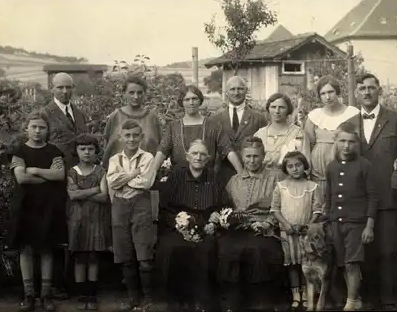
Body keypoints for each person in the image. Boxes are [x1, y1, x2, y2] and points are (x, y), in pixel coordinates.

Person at [346, 73, 397, 310]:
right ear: (357, 92)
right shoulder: (348, 125)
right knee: (363, 251)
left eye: (371, 88)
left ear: (379, 90)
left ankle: (389, 301)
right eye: (362, 88)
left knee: (387, 250)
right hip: (358, 198)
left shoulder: (396, 120)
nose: (367, 92)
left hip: (386, 195)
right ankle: (368, 300)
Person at [156, 139, 230, 312]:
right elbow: (165, 207)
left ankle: (203, 301)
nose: (198, 157)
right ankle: (177, 301)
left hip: (205, 226)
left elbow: (224, 206)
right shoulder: (176, 176)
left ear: (208, 158)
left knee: (208, 249)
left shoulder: (214, 177)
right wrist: (180, 226)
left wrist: (215, 222)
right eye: (195, 153)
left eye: (203, 154)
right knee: (173, 248)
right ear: (187, 156)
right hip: (178, 225)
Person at [218, 137, 285, 312]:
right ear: (242, 156)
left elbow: (282, 207)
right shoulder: (235, 180)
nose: (251, 160)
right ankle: (233, 301)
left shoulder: (274, 178)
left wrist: (267, 223)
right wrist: (229, 219)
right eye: (247, 156)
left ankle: (260, 302)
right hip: (239, 228)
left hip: (264, 228)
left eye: (256, 156)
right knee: (228, 248)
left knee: (259, 250)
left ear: (263, 156)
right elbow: (226, 206)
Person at [9, 109, 67, 311]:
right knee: (25, 249)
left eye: (42, 127)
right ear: (27, 129)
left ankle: (46, 295)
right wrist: (46, 177)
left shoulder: (54, 152)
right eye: (33, 127)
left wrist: (34, 170)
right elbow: (21, 178)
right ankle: (29, 295)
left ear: (47, 130)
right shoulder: (19, 151)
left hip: (47, 207)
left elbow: (60, 175)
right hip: (26, 206)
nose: (37, 131)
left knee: (46, 248)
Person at [323, 121, 379, 311]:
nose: (346, 146)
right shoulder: (331, 167)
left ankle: (351, 302)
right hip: (336, 223)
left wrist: (369, 225)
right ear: (336, 142)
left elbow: (373, 197)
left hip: (356, 224)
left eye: (351, 142)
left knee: (352, 263)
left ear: (358, 144)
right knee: (343, 263)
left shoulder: (365, 165)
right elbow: (328, 196)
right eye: (342, 141)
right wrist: (329, 221)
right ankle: (355, 298)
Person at [44, 72, 89, 300]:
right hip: (55, 183)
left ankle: (71, 282)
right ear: (52, 89)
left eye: (68, 87)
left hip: (78, 180)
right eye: (60, 87)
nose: (64, 92)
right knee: (56, 231)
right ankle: (53, 284)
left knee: (75, 228)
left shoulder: (79, 114)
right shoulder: (44, 114)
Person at [106, 120, 157, 311]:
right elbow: (112, 182)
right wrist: (133, 174)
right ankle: (133, 299)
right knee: (125, 254)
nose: (131, 139)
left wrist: (124, 179)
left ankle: (148, 299)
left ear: (142, 137)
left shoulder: (147, 157)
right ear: (121, 137)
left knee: (144, 254)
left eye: (136, 135)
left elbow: (146, 183)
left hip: (141, 205)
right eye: (127, 135)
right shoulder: (114, 160)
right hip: (119, 206)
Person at [149, 85, 242, 174]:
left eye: (194, 98)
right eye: (187, 99)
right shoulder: (173, 127)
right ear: (181, 102)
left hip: (206, 180)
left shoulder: (213, 126)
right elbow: (162, 152)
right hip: (178, 181)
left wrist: (242, 174)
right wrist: (150, 174)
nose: (191, 103)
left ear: (200, 100)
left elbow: (228, 150)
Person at [270, 151, 323, 309]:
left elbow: (317, 210)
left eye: (298, 165)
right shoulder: (281, 187)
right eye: (290, 166)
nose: (294, 169)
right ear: (286, 168)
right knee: (293, 264)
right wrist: (285, 225)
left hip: (306, 234)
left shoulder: (312, 186)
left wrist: (308, 226)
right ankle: (296, 294)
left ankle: (307, 293)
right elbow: (275, 209)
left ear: (304, 166)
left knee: (306, 264)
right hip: (288, 233)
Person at [66, 134, 111, 310]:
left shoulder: (101, 171)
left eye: (90, 149)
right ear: (76, 151)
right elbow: (72, 195)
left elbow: (104, 196)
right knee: (79, 258)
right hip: (77, 220)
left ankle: (91, 295)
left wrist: (82, 192)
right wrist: (94, 189)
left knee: (93, 257)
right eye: (82, 149)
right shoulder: (71, 172)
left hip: (95, 220)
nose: (86, 152)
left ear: (95, 151)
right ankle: (81, 295)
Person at [302, 75, 360, 204]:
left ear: (337, 92)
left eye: (330, 92)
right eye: (323, 94)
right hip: (319, 174)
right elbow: (308, 145)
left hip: (347, 170)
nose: (327, 97)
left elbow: (358, 143)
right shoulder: (314, 116)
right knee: (321, 207)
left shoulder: (353, 113)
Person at [209, 76, 268, 185]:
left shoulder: (259, 118)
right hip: (221, 175)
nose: (236, 93)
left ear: (246, 90)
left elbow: (265, 148)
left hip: (251, 174)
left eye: (240, 89)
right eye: (232, 89)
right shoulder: (215, 119)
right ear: (226, 92)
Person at [102, 76, 162, 170]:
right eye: (131, 92)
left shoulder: (152, 117)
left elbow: (159, 147)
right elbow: (107, 146)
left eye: (139, 92)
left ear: (144, 94)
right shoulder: (115, 116)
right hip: (119, 173)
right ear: (124, 93)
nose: (136, 96)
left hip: (146, 173)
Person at [254, 92, 307, 175]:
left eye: (281, 107)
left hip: (289, 181)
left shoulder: (298, 133)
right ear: (268, 109)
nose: (277, 111)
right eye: (273, 107)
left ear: (288, 110)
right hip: (263, 180)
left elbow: (306, 163)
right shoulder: (259, 134)